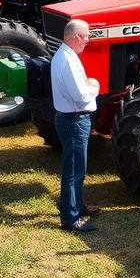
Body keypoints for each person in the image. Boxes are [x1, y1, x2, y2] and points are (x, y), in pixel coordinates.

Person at [51, 19, 101, 232]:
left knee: (78, 169)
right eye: (86, 36)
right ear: (76, 36)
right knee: (72, 170)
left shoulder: (67, 56)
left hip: (75, 120)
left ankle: (77, 207)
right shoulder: (67, 60)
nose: (88, 40)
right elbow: (80, 95)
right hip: (74, 120)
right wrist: (95, 87)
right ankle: (70, 219)